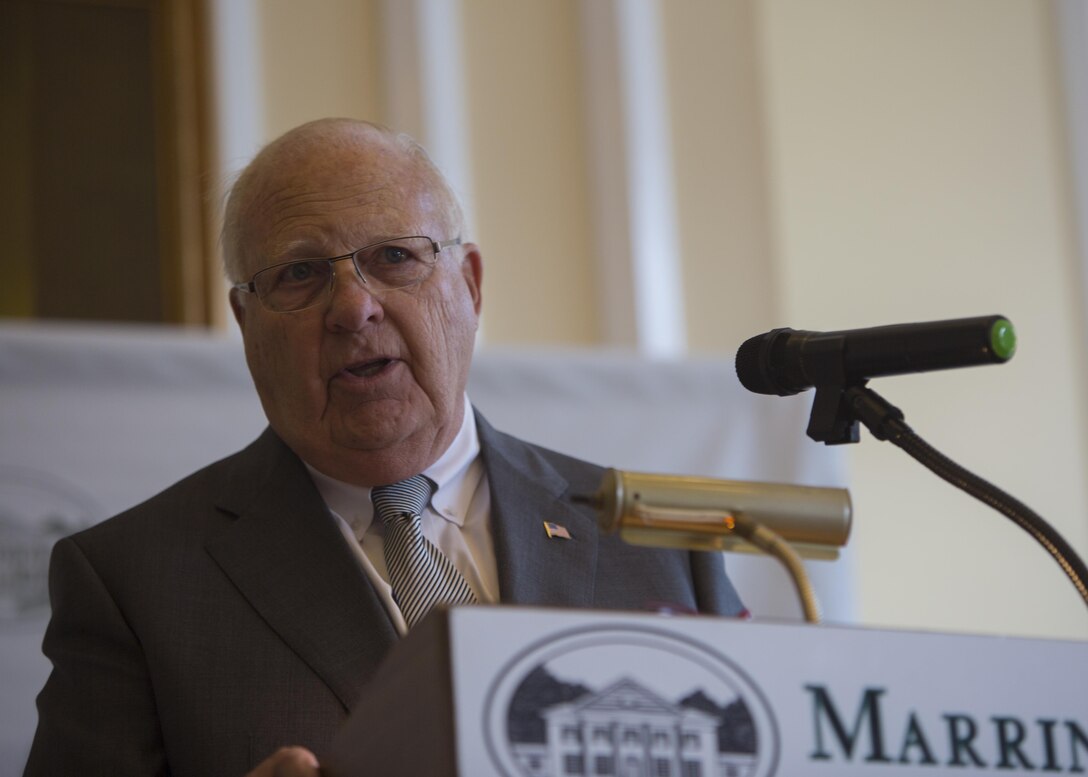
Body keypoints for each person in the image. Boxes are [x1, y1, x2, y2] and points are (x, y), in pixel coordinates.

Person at [23, 118, 745, 777]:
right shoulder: (132, 584)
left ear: (470, 286)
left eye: (395, 256)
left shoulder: (656, 537)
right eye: (299, 274)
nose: (353, 306)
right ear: (247, 323)